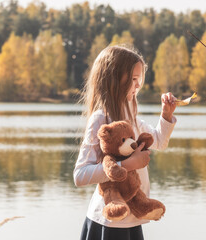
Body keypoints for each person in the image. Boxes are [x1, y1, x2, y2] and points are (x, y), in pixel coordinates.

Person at [73, 45, 177, 240]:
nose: (138, 85)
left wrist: (166, 115)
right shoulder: (101, 119)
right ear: (114, 79)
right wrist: (127, 165)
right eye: (134, 79)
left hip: (132, 219)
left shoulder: (132, 118)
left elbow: (160, 142)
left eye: (140, 79)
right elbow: (79, 175)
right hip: (108, 222)